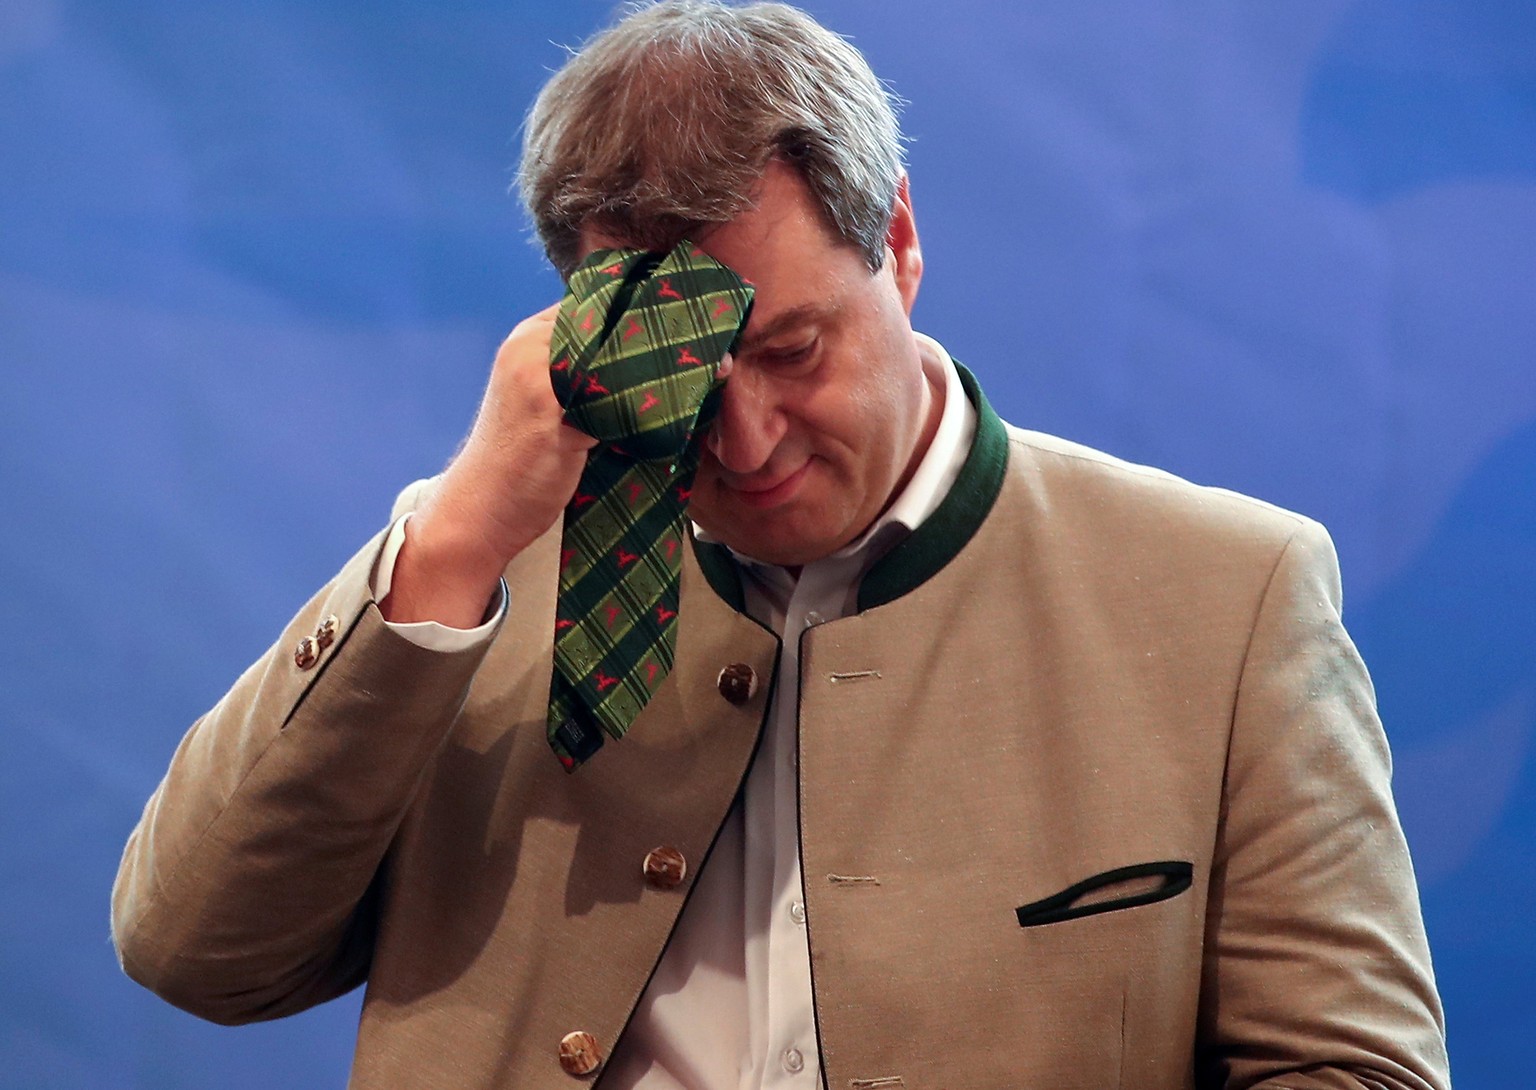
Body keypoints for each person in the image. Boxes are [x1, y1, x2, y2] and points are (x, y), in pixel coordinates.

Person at [111, 2, 1452, 1088]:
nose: (744, 440)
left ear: (903, 244)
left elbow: (1356, 1071)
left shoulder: (1229, 595)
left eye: (792, 349)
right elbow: (199, 952)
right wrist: (459, 531)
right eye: (679, 375)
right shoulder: (477, 575)